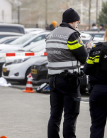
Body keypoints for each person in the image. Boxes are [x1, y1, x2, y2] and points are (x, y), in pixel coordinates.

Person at [46, 8, 88, 138]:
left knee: (55, 114)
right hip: (69, 80)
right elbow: (83, 57)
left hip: (53, 80)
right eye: (77, 23)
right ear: (74, 21)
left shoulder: (51, 34)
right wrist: (86, 48)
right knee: (71, 114)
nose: (77, 26)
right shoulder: (71, 35)